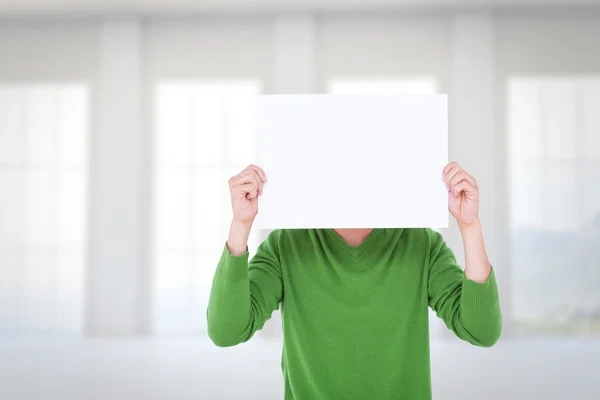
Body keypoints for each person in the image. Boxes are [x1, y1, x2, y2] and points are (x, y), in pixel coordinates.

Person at [207, 161, 502, 400]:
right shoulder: (286, 243)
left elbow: (481, 331)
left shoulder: (421, 243)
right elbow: (226, 331)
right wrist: (241, 224)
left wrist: (469, 225)